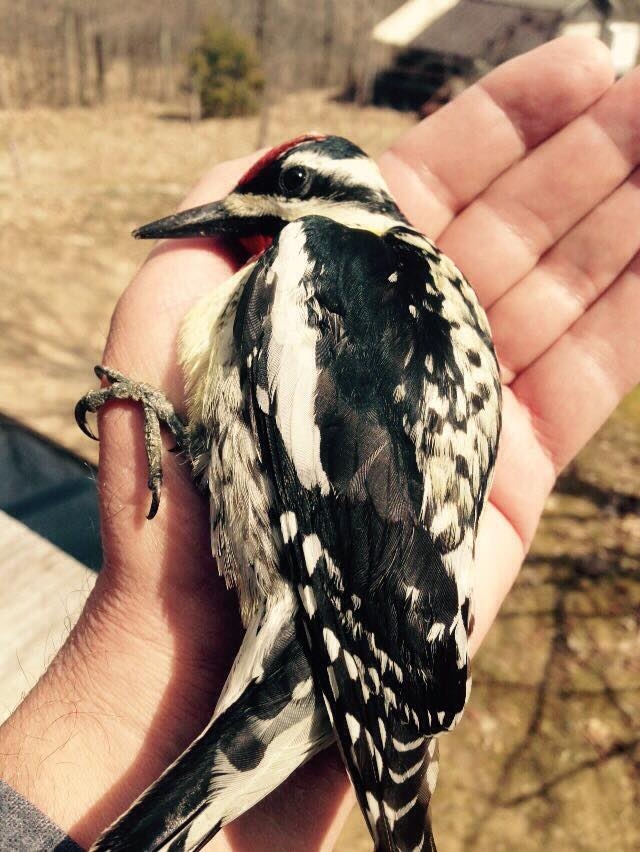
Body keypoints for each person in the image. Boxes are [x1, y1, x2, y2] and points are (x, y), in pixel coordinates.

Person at [0, 36, 638, 851]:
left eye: (286, 189)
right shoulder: (433, 293)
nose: (257, 218)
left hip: (322, 628)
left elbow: (298, 478)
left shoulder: (317, 257)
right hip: (364, 632)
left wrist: (161, 418)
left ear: (332, 197)